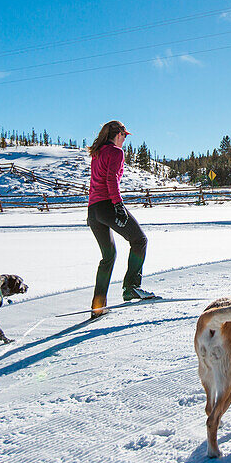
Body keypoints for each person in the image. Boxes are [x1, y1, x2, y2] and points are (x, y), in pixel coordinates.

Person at [87, 120, 158, 316]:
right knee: (139, 240)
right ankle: (132, 288)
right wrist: (118, 205)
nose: (125, 140)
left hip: (93, 211)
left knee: (108, 257)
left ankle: (98, 306)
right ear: (118, 134)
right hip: (108, 205)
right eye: (124, 136)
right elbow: (111, 180)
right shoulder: (116, 152)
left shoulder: (97, 152)